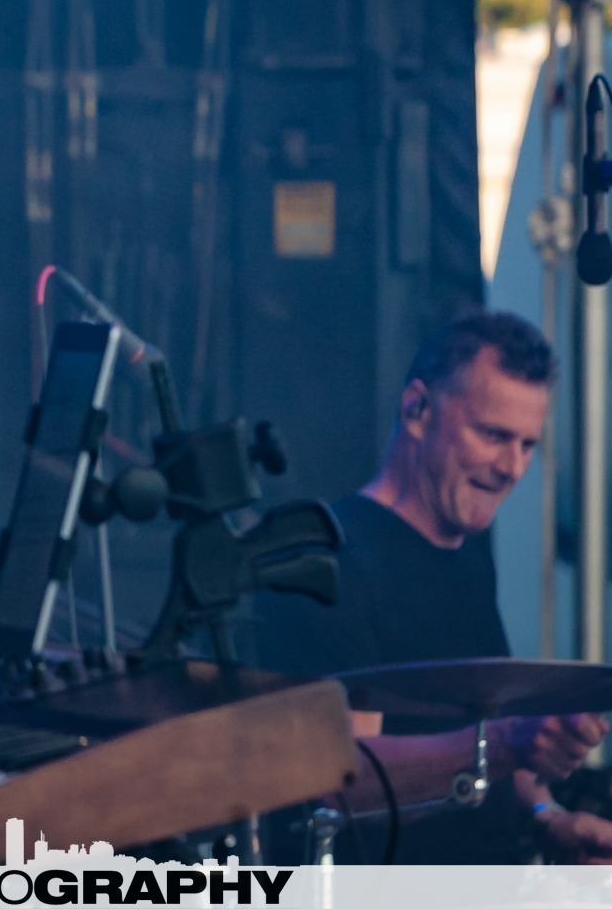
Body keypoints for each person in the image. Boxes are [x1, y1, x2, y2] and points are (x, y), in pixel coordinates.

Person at [255, 311, 612, 864]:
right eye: (493, 435)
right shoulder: (326, 557)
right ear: (417, 410)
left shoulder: (469, 554)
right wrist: (507, 743)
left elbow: (484, 728)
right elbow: (337, 778)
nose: (512, 467)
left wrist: (548, 816)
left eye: (527, 444)